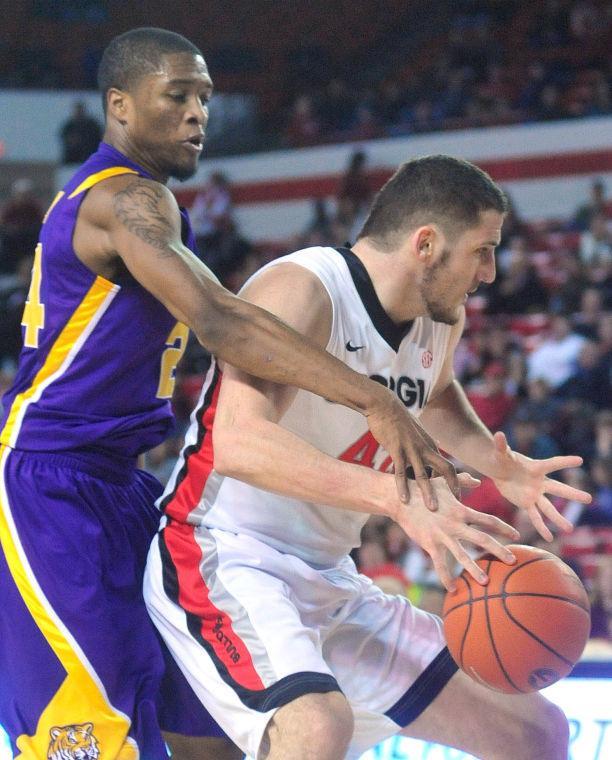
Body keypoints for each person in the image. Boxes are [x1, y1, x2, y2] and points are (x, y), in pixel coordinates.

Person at [0, 28, 457, 760]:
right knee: (87, 739)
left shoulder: (151, 206)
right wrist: (375, 399)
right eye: (176, 95)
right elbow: (219, 319)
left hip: (123, 485)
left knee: (207, 733)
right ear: (120, 105)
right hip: (46, 485)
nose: (197, 114)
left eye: (205, 97)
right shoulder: (120, 199)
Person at [145, 155, 592, 760]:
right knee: (316, 728)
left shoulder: (441, 318)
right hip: (223, 553)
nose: (490, 271)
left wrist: (498, 463)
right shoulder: (305, 287)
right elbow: (238, 443)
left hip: (331, 578)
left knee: (537, 733)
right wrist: (396, 501)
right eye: (482, 250)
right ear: (426, 244)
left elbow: (432, 395)